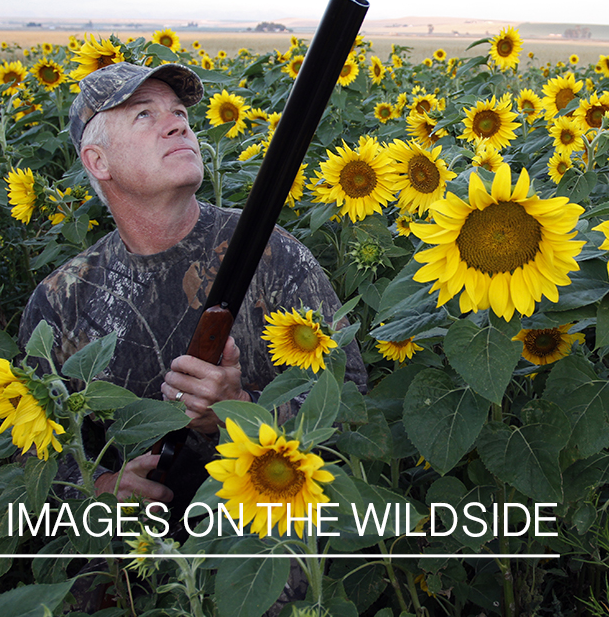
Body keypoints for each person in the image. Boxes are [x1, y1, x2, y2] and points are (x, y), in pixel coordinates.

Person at [18, 61, 367, 505]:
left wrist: (238, 407)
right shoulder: (62, 298)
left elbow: (352, 403)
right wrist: (100, 486)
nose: (176, 125)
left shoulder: (271, 251)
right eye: (144, 114)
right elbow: (30, 451)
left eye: (180, 113)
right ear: (98, 161)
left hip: (268, 519)